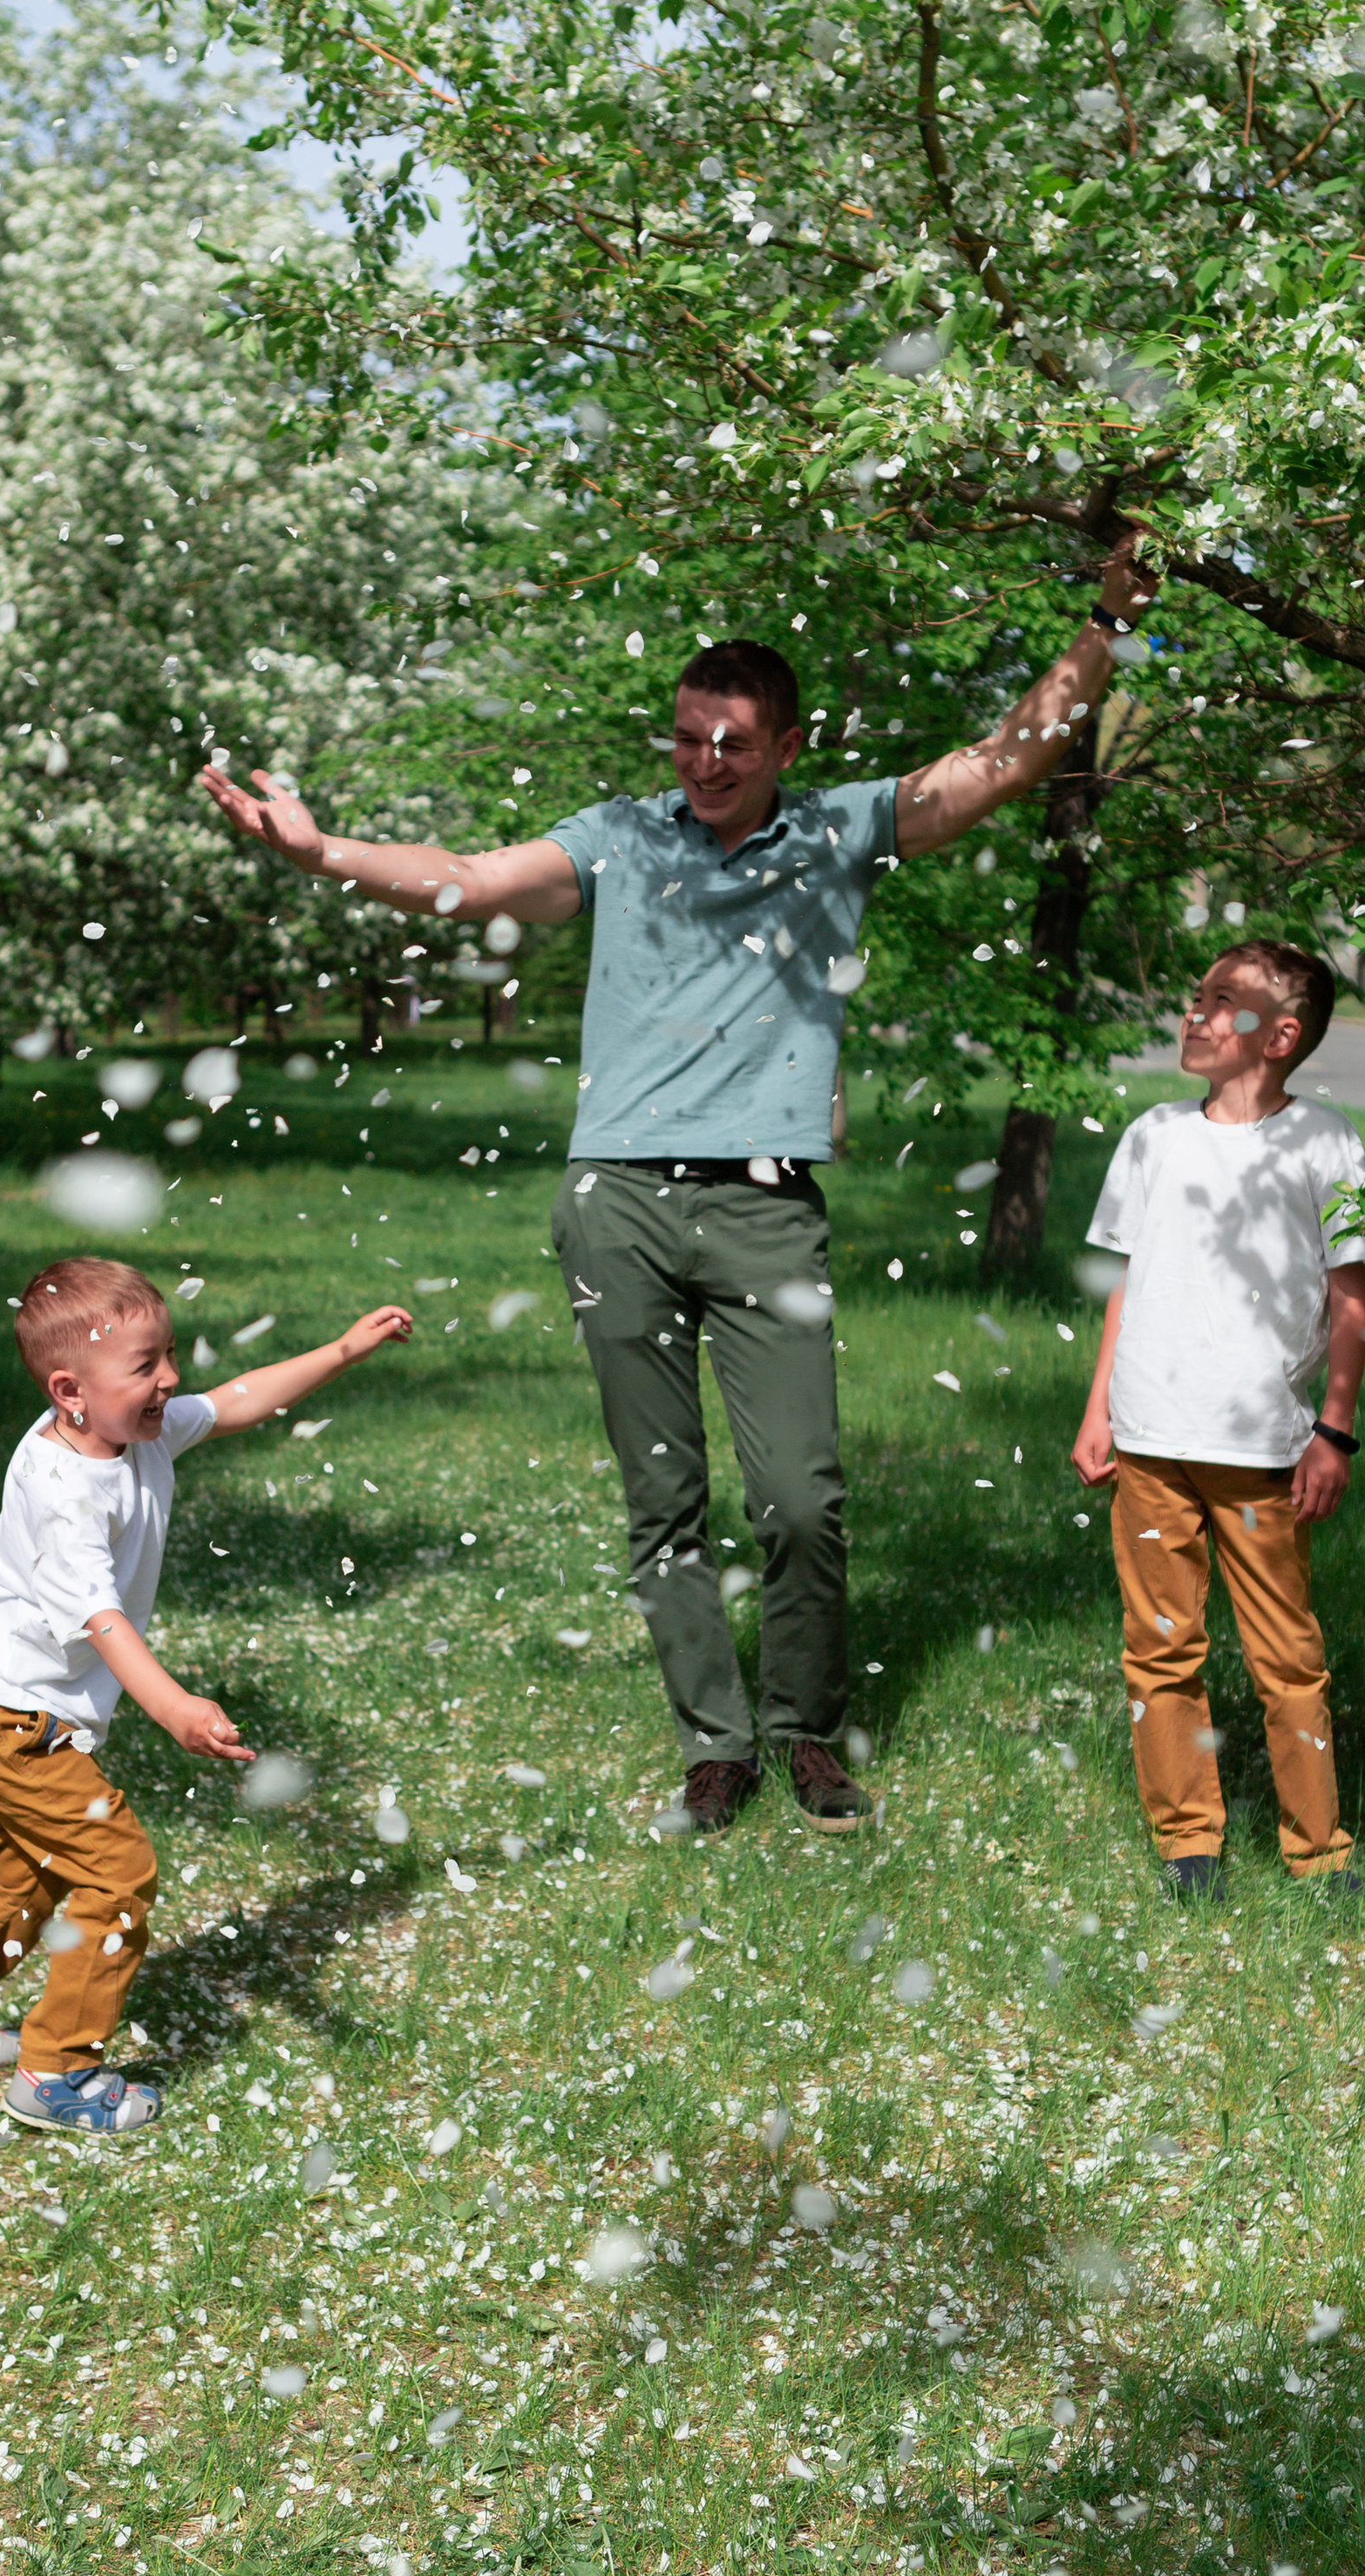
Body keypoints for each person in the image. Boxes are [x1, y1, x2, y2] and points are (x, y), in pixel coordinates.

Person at [200, 539, 1154, 1839]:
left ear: (787, 744)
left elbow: (1003, 757)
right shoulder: (618, 842)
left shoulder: (837, 831)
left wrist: (1105, 625)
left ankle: (803, 1725)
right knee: (666, 1498)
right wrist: (326, 858)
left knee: (803, 1500)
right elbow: (472, 879)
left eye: (734, 745)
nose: (705, 765)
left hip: (766, 1207)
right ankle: (716, 1741)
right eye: (689, 739)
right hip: (620, 1205)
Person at [0, 1254, 412, 2131]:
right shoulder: (62, 1493)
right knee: (117, 1872)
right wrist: (173, 1708)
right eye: (146, 1366)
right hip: (3, 1715)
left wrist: (341, 1351)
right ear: (70, 1390)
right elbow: (103, 1623)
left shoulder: (135, 1429)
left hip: (2, 1707)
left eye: (168, 1356)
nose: (169, 1379)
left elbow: (239, 1398)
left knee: (31, 1876)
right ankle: (55, 2074)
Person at [1070, 940, 1365, 1898]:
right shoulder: (1154, 1135)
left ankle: (1318, 1852)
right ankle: (1187, 1844)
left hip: (1259, 1453)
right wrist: (1098, 1408)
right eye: (1195, 995)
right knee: (1160, 1648)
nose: (1194, 1014)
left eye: (1222, 1002)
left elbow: (1349, 1302)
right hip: (1152, 1441)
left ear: (1280, 1035)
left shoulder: (1323, 1141)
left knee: (1286, 1656)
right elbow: (1130, 1284)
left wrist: (1333, 1429)